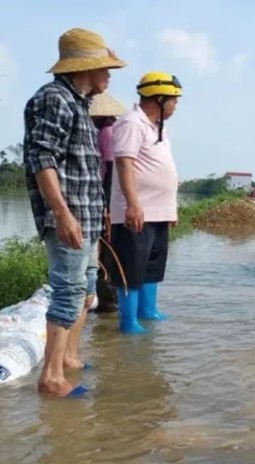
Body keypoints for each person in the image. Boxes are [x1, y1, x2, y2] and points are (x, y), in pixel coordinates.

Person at [22, 28, 126, 397]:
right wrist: (63, 214)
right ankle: (50, 378)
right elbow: (42, 157)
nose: (110, 75)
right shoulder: (55, 99)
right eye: (105, 68)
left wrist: (98, 215)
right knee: (67, 292)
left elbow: (82, 169)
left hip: (87, 214)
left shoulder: (78, 102)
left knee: (84, 291)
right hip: (69, 216)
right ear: (87, 68)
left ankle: (68, 359)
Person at [109, 71, 182, 334]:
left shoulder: (158, 127)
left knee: (152, 264)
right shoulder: (132, 123)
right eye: (174, 100)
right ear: (159, 98)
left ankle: (147, 311)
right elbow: (124, 163)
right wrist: (132, 203)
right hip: (137, 210)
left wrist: (170, 207)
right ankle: (128, 322)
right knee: (131, 266)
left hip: (159, 211)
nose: (176, 106)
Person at [89, 91, 127, 313]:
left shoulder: (106, 132)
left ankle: (108, 301)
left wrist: (107, 206)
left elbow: (111, 170)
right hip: (109, 200)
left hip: (107, 201)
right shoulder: (112, 130)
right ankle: (110, 299)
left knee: (106, 251)